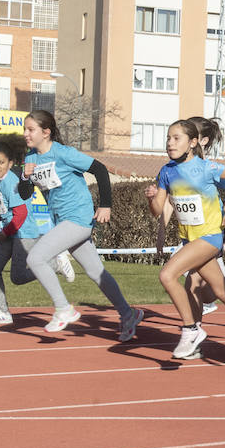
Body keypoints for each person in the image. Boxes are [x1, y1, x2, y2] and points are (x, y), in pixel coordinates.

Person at [145, 118, 225, 361]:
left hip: (210, 237)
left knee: (167, 275)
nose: (170, 143)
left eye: (176, 138)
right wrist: (151, 197)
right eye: (168, 138)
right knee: (220, 291)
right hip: (189, 240)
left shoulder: (206, 167)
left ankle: (191, 329)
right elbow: (158, 210)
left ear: (192, 143)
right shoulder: (167, 171)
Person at [20, 110, 143, 341]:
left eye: (30, 129)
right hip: (62, 220)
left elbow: (100, 169)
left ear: (46, 132)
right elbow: (25, 194)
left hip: (78, 217)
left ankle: (63, 308)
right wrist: (25, 177)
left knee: (35, 258)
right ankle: (128, 314)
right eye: (24, 129)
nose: (26, 134)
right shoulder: (30, 159)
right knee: (96, 271)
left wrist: (105, 205)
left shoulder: (64, 153)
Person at [0, 134, 74, 325]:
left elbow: (21, 214)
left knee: (18, 277)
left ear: (10, 163)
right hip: (10, 232)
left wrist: (2, 233)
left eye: (1, 162)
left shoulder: (10, 183)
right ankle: (2, 312)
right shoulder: (1, 183)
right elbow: (9, 213)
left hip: (23, 234)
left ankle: (55, 264)